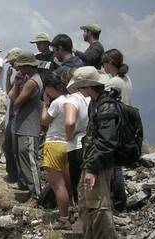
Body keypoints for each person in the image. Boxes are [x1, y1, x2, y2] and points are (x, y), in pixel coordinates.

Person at [67, 66, 117, 238]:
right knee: (87, 207)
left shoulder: (105, 107)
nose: (79, 90)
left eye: (81, 87)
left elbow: (106, 141)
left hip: (97, 166)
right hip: (89, 162)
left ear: (88, 87)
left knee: (99, 209)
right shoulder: (95, 104)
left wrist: (93, 169)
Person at [9, 52, 44, 207]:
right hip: (24, 126)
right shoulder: (31, 80)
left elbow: (16, 102)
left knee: (30, 162)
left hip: (29, 127)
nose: (19, 69)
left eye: (21, 66)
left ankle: (36, 195)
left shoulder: (32, 83)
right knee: (24, 161)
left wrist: (17, 84)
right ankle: (32, 192)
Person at [102, 48, 133, 213]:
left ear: (110, 63)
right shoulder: (126, 79)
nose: (103, 65)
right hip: (126, 124)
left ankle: (119, 204)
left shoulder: (113, 82)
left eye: (104, 62)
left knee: (115, 167)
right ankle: (120, 202)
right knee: (117, 165)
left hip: (115, 125)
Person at [41, 72, 72, 229]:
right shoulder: (71, 99)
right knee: (68, 183)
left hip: (54, 143)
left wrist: (45, 105)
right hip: (69, 144)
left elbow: (45, 120)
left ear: (51, 87)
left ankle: (63, 218)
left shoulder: (57, 102)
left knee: (57, 184)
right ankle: (71, 211)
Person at [62, 67, 91, 206]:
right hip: (89, 143)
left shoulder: (73, 99)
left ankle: (79, 211)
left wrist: (68, 135)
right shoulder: (90, 98)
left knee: (76, 182)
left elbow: (69, 122)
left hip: (75, 144)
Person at [2, 47, 26, 190]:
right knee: (8, 145)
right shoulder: (17, 75)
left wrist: (15, 83)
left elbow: (12, 96)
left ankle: (17, 177)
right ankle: (12, 175)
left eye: (12, 63)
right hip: (13, 113)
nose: (12, 66)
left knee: (14, 147)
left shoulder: (23, 77)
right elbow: (9, 91)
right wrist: (8, 77)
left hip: (18, 114)